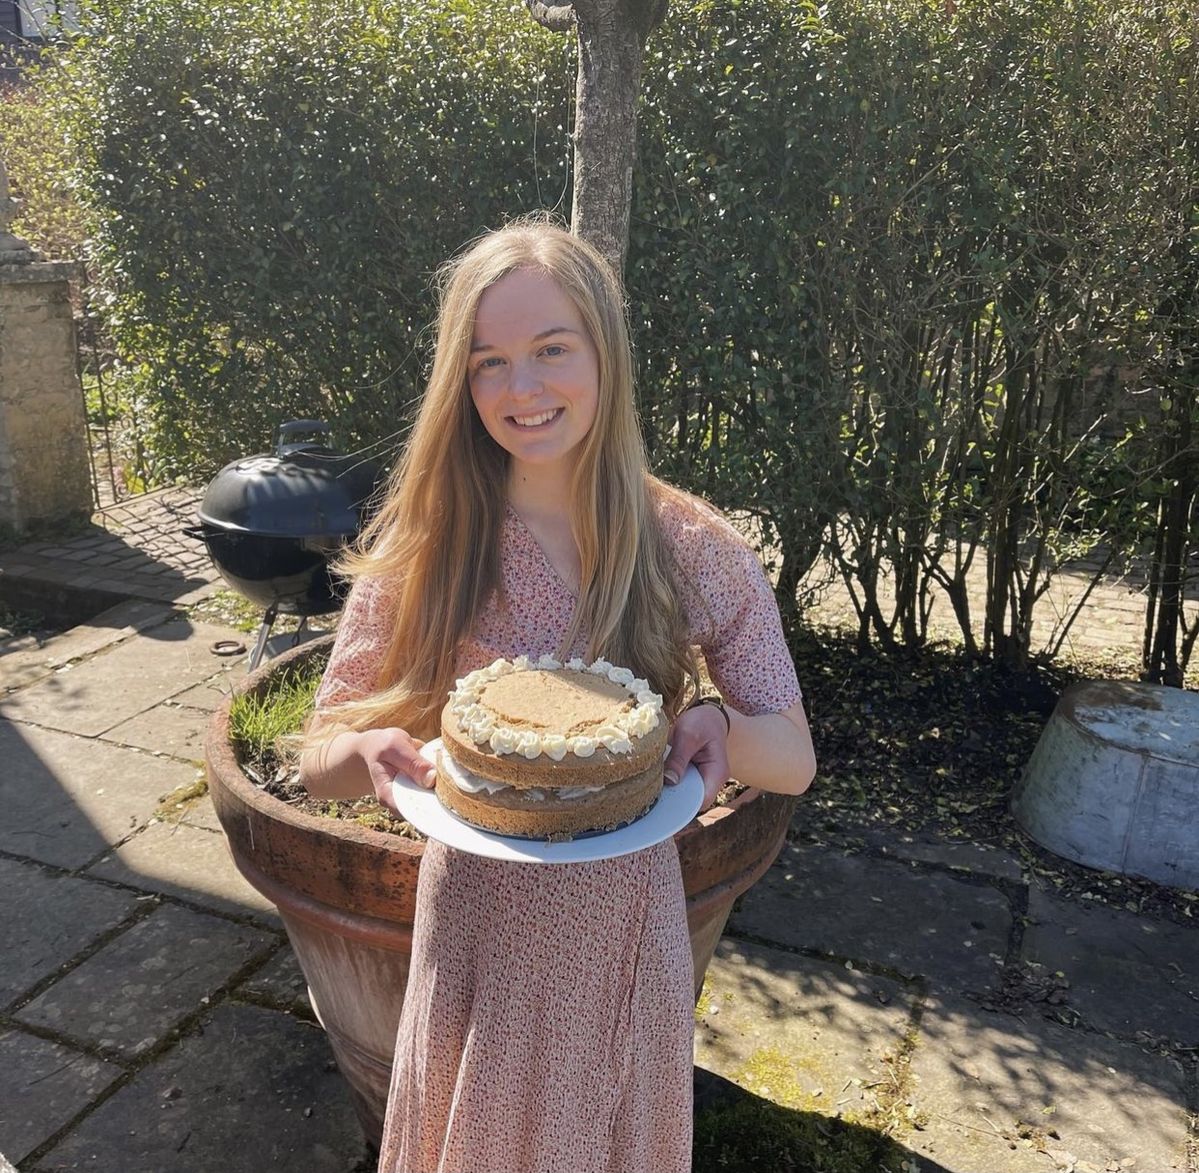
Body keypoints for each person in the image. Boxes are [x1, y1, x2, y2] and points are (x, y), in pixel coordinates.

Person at [299, 216, 816, 1173]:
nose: (522, 389)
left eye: (550, 349)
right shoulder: (431, 542)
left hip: (620, 938)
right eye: (489, 362)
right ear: (461, 382)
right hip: (474, 934)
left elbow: (792, 758)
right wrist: (366, 753)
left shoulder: (689, 546)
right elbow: (316, 756)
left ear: (604, 353)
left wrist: (719, 726)